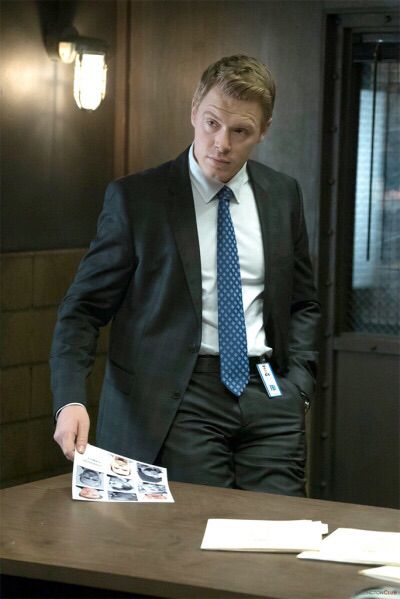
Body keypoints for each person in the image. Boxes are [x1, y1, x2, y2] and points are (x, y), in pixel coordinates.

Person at [51, 55, 320, 497]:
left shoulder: (282, 195)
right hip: (178, 397)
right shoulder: (138, 200)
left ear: (264, 130)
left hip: (270, 395)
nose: (222, 143)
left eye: (241, 131)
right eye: (212, 123)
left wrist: (300, 388)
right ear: (194, 110)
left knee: (281, 535)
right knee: (198, 537)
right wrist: (70, 399)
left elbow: (303, 302)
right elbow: (82, 310)